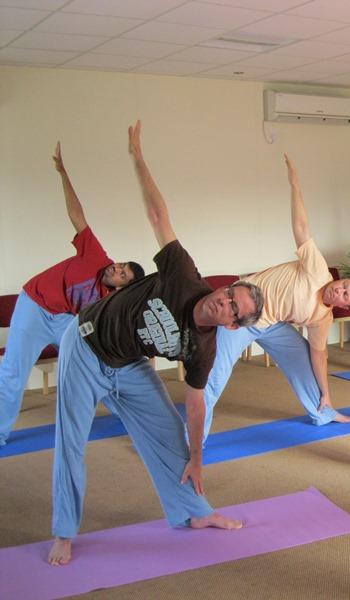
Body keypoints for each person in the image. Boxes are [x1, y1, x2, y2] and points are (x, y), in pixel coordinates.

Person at [47, 121, 264, 565]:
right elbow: (158, 216)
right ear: (224, 289)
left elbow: (198, 405)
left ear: (235, 324)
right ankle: (64, 531)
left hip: (127, 364)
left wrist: (199, 459)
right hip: (86, 345)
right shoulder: (183, 276)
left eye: (234, 309)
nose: (224, 303)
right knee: (71, 438)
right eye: (229, 294)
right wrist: (137, 156)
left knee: (171, 434)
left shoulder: (204, 348)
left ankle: (193, 513)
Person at [200, 154, 350, 442]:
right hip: (240, 315)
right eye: (343, 284)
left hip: (272, 323)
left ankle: (323, 411)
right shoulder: (317, 270)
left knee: (304, 359)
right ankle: (193, 439)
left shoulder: (321, 318)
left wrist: (327, 393)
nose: (337, 290)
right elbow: (302, 229)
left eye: (344, 295)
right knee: (215, 376)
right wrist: (295, 186)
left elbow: (319, 356)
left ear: (343, 307)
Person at [0, 142, 145, 446]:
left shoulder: (109, 305)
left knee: (102, 366)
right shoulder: (96, 255)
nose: (115, 268)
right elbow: (77, 213)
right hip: (34, 306)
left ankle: (136, 419)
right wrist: (63, 173)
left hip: (65, 320)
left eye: (121, 273)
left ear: (122, 287)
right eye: (119, 264)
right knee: (13, 372)